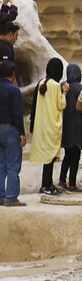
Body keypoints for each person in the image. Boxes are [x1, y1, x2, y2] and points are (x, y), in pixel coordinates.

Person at [0, 60, 26, 206]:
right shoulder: (14, 91)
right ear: (12, 74)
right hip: (11, 129)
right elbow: (17, 113)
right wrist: (22, 133)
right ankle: (11, 197)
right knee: (13, 165)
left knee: (1, 163)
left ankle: (0, 197)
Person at [30, 58, 68, 196]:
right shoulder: (55, 86)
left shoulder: (41, 83)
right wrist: (64, 93)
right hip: (51, 126)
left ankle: (48, 183)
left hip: (42, 126)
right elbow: (61, 105)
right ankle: (46, 185)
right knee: (50, 157)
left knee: (47, 157)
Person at [59, 63, 82, 192]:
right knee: (76, 155)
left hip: (65, 126)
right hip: (78, 126)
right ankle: (72, 183)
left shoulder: (63, 87)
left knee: (67, 155)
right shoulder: (80, 88)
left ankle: (62, 180)